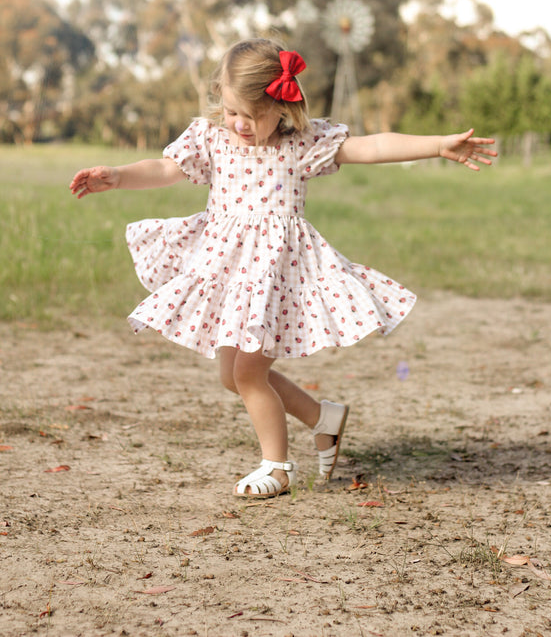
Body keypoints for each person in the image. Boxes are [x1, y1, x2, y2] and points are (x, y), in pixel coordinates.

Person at [70, 39, 496, 498]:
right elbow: (164, 168)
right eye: (232, 110)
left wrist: (437, 145)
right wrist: (117, 175)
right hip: (228, 268)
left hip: (276, 274)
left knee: (249, 374)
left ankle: (276, 467)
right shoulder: (211, 137)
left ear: (282, 105)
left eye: (252, 116)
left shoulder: (303, 145)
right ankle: (323, 419)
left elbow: (371, 146)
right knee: (230, 375)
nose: (239, 124)